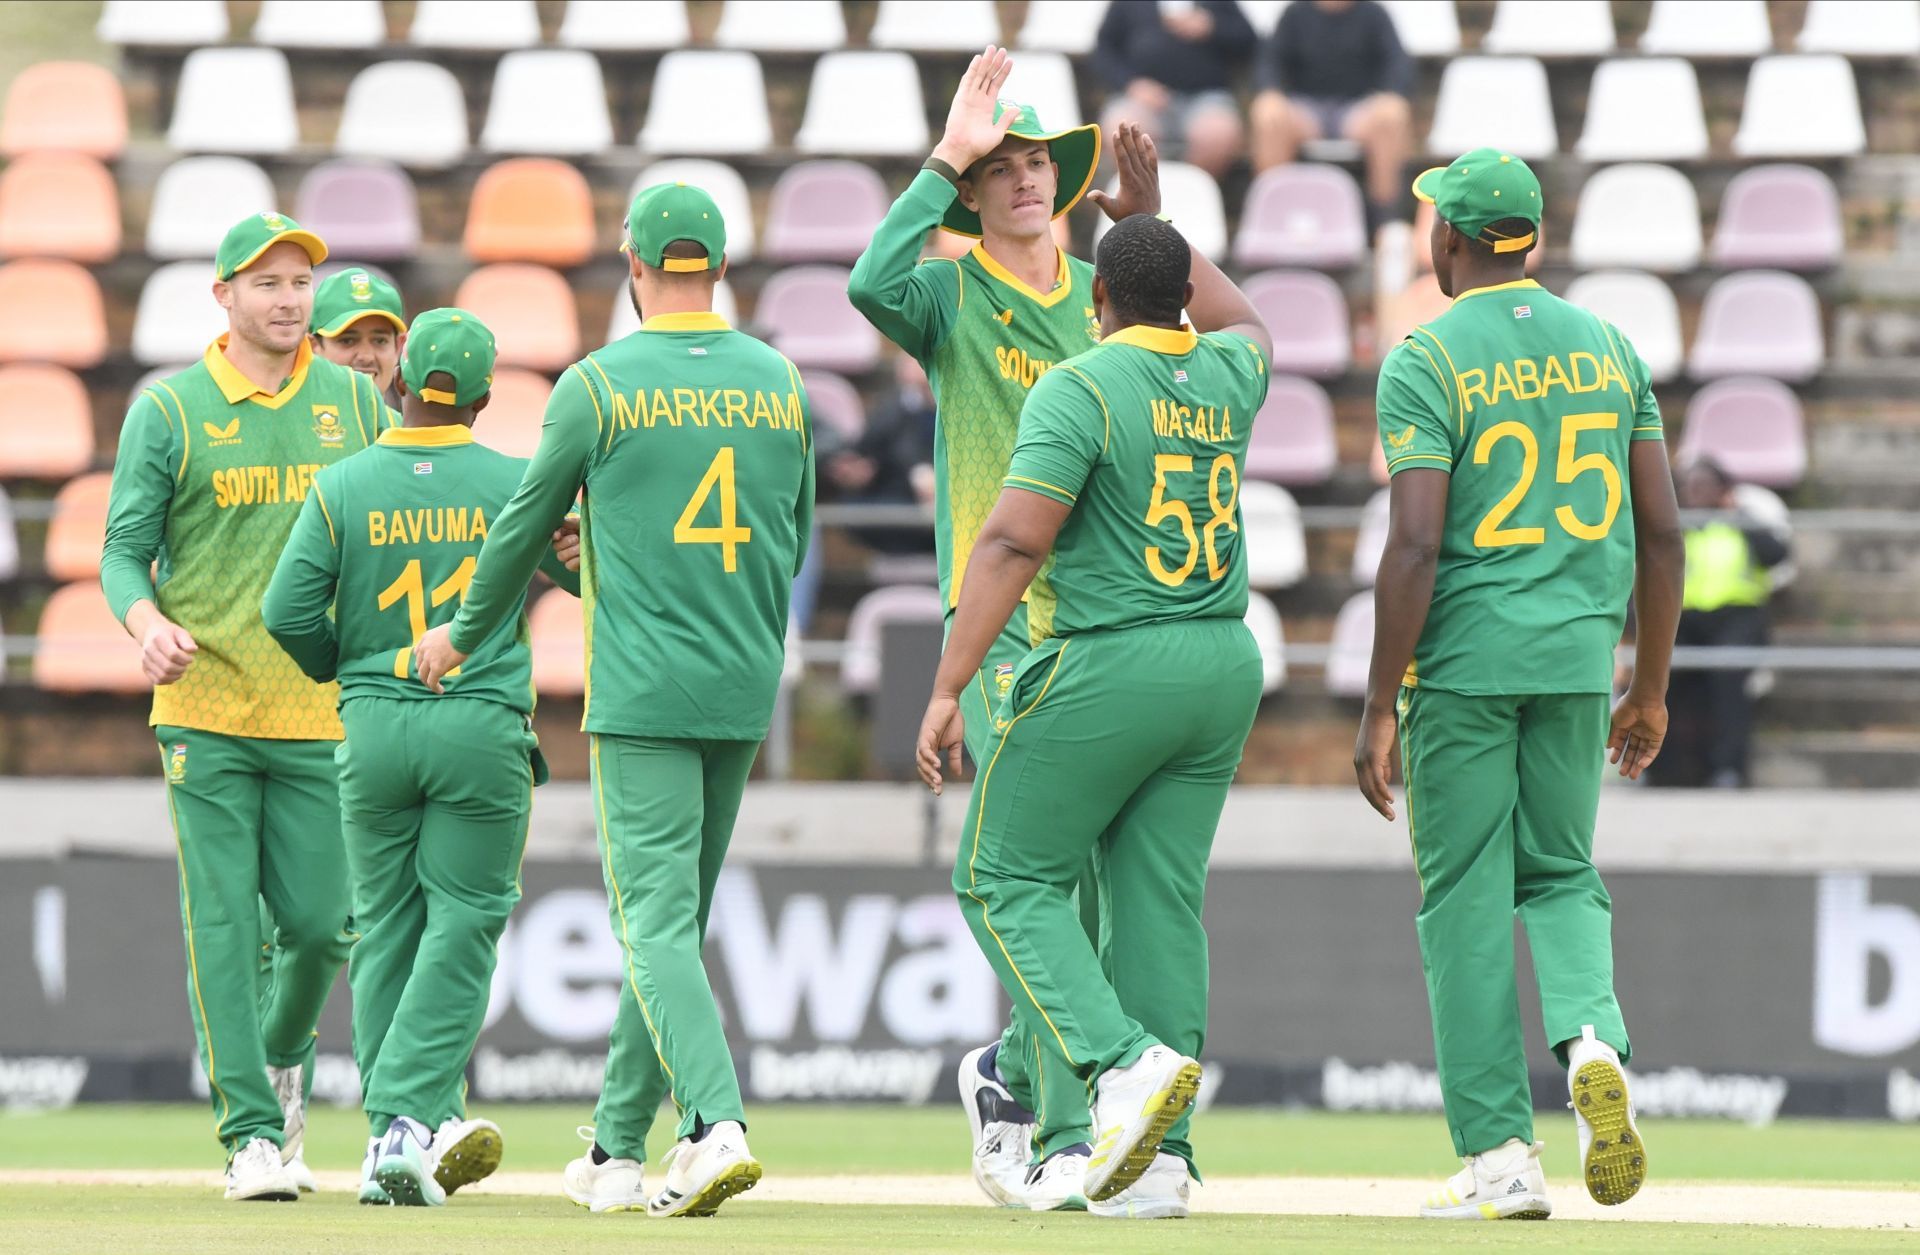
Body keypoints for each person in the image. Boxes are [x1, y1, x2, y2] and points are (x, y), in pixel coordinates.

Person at [411, 182, 814, 1220]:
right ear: (719, 270)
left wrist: (461, 630)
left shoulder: (595, 385)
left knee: (652, 927)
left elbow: (519, 529)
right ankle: (614, 1147)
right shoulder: (780, 381)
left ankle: (714, 1124)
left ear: (634, 267)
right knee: (673, 923)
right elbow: (788, 535)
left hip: (642, 691)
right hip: (742, 681)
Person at [847, 45, 1165, 1215]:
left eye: (1039, 163)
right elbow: (867, 283)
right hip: (1001, 627)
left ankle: (1010, 1081)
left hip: (1104, 622)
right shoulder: (948, 293)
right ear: (974, 192)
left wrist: (1151, 232)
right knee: (1039, 871)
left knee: (1065, 877)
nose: (1027, 180)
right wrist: (945, 155)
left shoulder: (1105, 302)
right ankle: (1066, 1129)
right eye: (1005, 167)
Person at [915, 204, 1272, 1209]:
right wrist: (1148, 222)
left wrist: (948, 685)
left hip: (1115, 658)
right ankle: (1161, 1167)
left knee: (999, 875)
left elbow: (1012, 544)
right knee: (1157, 902)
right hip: (1223, 663)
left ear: (1097, 299)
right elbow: (1248, 319)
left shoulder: (1081, 384)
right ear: (1181, 295)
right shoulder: (1232, 373)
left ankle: (1121, 1064)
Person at [1352, 149, 1686, 1220]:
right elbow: (1666, 533)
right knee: (1561, 873)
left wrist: (1374, 702)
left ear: (1450, 240)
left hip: (1462, 668)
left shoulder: (1426, 357)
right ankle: (1592, 1035)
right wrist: (1650, 688)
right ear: (1528, 238)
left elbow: (1412, 548)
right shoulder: (1611, 349)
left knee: (1463, 903)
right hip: (1581, 658)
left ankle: (1500, 1155)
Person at [99, 212, 388, 1201]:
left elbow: (400, 512)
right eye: (266, 283)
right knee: (224, 921)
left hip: (321, 712)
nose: (288, 300)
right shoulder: (171, 409)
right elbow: (120, 550)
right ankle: (252, 1137)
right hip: (206, 706)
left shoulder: (354, 403)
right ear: (222, 296)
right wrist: (144, 621)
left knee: (318, 929)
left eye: (301, 282)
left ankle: (272, 1064)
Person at [262, 308, 579, 1207]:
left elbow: (286, 615)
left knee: (387, 928)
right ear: (484, 395)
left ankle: (395, 1135)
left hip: (371, 725)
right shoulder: (518, 484)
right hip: (476, 718)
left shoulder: (344, 482)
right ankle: (406, 1113)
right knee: (468, 915)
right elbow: (590, 583)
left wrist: (354, 674)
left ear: (398, 381)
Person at [1657, 458, 1790, 788]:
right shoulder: (1679, 525)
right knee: (1658, 678)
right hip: (1684, 620)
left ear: (1723, 490)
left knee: (1729, 679)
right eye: (1690, 486)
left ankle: (1729, 770)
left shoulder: (1742, 522)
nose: (1695, 492)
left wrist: (1739, 516)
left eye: (1704, 486)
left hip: (1738, 616)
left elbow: (1777, 555)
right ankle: (1660, 770)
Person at [1251, 0, 1415, 235]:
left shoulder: (1374, 14)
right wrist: (1269, 93)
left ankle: (1385, 224)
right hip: (1305, 110)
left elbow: (1397, 62)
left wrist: (1392, 95)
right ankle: (1270, 220)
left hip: (1357, 110)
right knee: (1269, 117)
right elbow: (1270, 61)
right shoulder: (1294, 13)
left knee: (1391, 118)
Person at [1091, 0, 1254, 181]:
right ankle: (1147, 198)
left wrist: (1212, 26)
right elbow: (1103, 50)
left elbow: (1249, 42)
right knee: (1123, 129)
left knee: (1218, 133)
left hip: (1206, 98)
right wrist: (1132, 85)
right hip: (1141, 98)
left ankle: (1185, 196)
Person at [826, 353, 937, 555]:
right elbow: (867, 453)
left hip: (949, 496)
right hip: (898, 497)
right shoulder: (894, 408)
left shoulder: (962, 408)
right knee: (854, 510)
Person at [309, 266, 406, 405]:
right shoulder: (291, 423)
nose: (366, 357)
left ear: (398, 347)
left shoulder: (404, 425)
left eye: (380, 341)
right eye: (347, 341)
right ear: (313, 348)